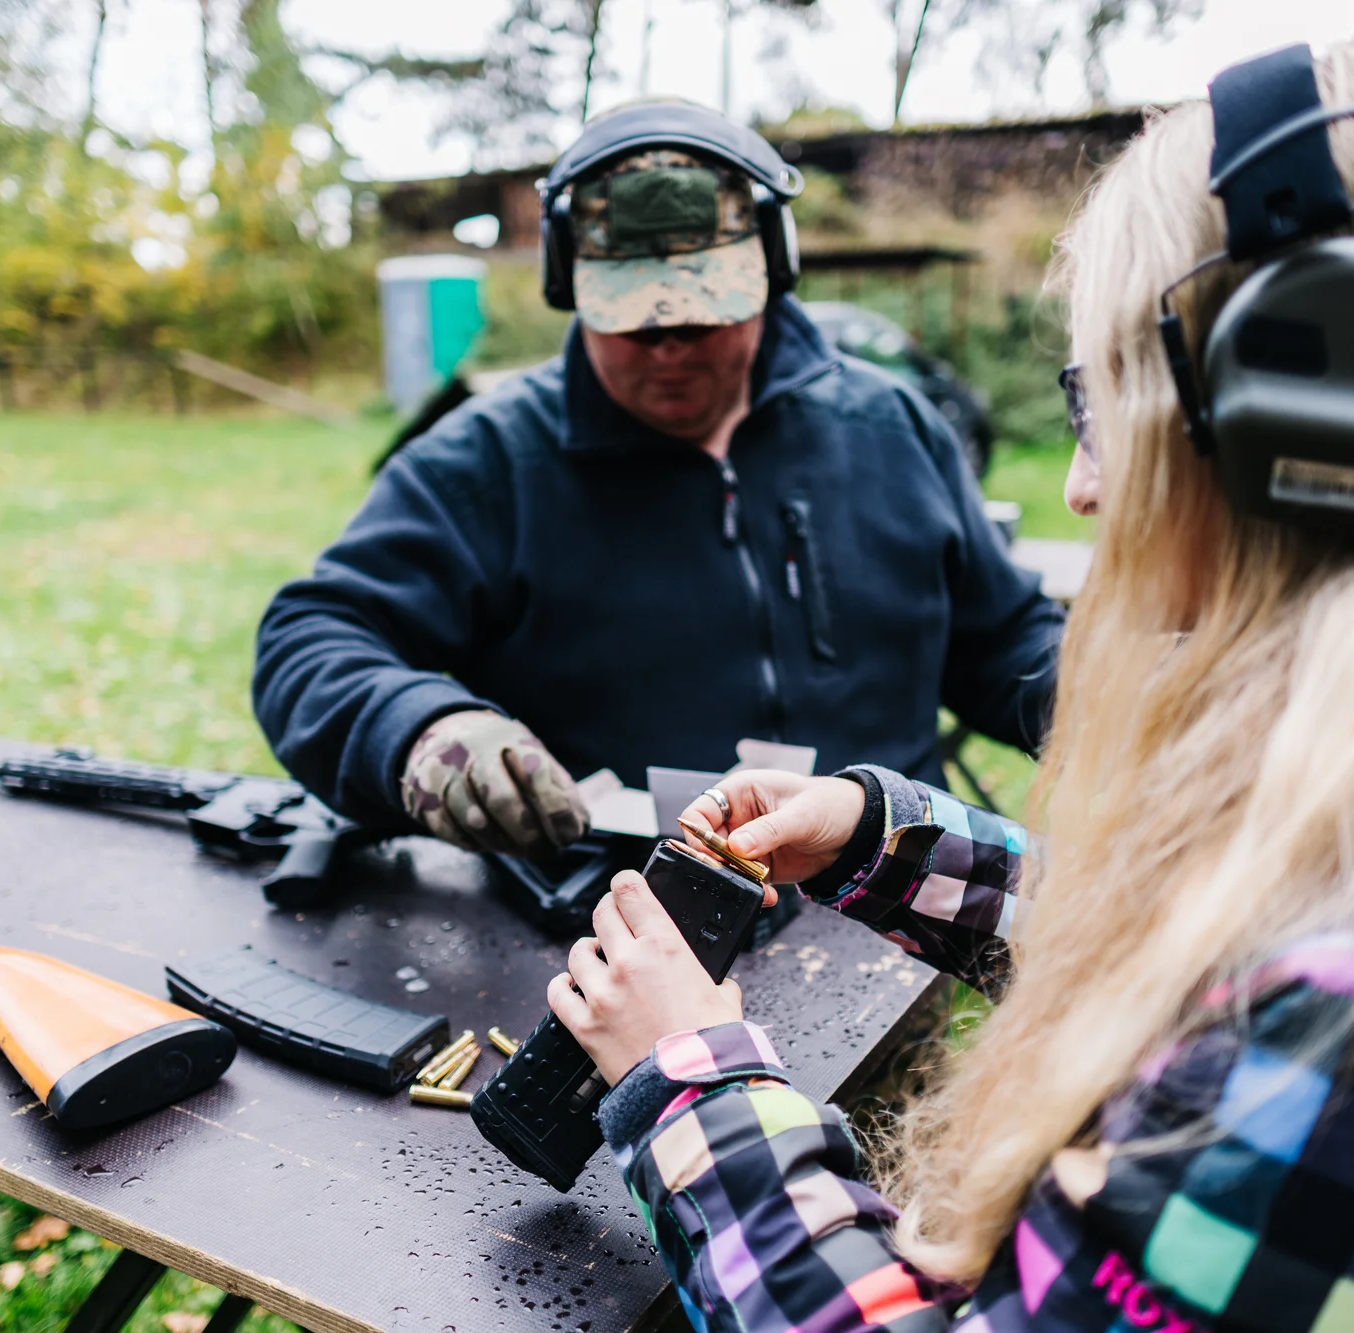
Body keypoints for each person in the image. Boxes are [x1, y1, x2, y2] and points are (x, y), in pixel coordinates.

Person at [546, 26, 1354, 1333]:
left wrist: (692, 1088)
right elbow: (1234, 930)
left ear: (1321, 413)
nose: (1084, 486)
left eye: (1109, 405)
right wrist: (889, 838)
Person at [252, 101, 1065, 858]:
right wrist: (424, 731)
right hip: (618, 921)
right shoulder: (485, 461)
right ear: (570, 286)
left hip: (883, 905)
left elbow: (1000, 641)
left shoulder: (891, 427)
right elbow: (310, 638)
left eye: (706, 313)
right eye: (637, 321)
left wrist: (1108, 698)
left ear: (770, 271)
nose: (673, 346)